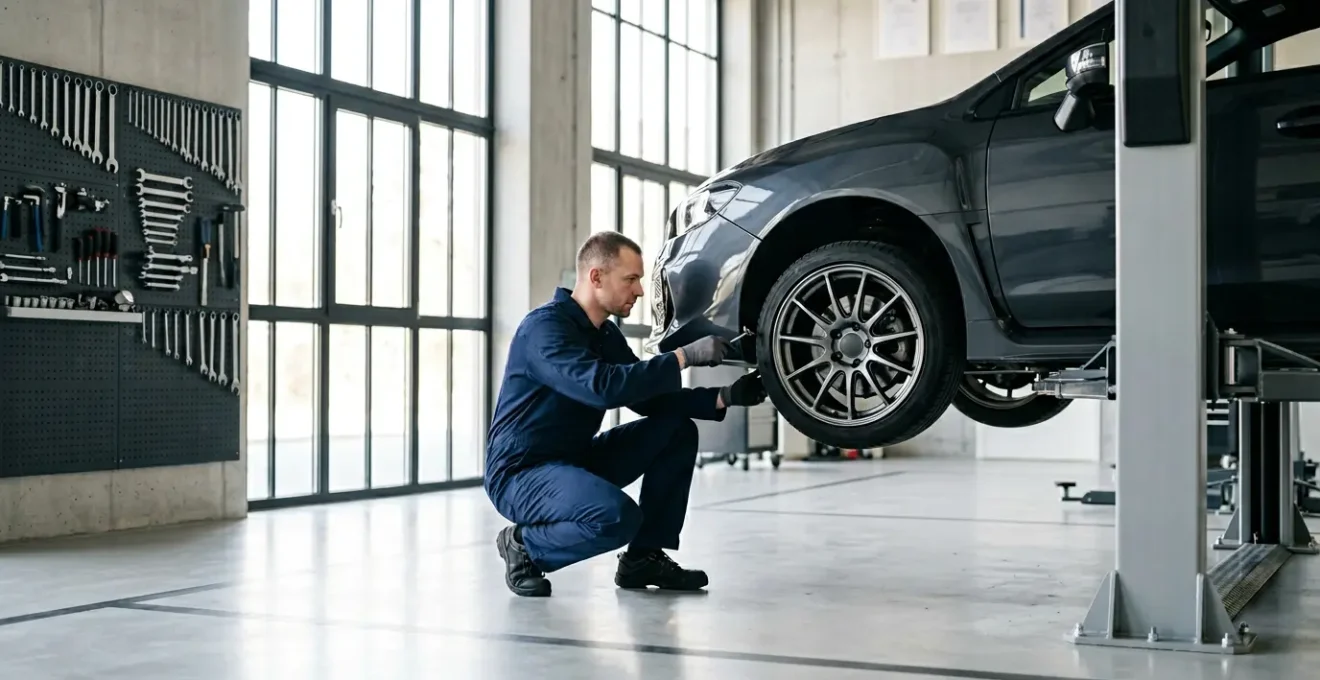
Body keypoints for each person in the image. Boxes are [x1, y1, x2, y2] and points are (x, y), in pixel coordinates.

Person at [484, 231, 766, 597]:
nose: (639, 291)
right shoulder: (544, 329)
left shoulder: (605, 336)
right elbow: (601, 386)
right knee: (616, 518)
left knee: (677, 430)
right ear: (596, 277)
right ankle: (524, 545)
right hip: (522, 472)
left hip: (575, 460)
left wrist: (724, 396)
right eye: (630, 279)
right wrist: (684, 357)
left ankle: (643, 559)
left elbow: (649, 400)